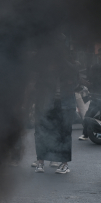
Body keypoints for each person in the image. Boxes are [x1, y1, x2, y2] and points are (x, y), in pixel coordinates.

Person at [33, 39, 77, 174]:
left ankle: (64, 164)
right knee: (41, 131)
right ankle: (40, 161)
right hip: (46, 103)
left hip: (65, 104)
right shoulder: (43, 68)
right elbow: (37, 86)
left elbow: (75, 84)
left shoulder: (70, 67)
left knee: (64, 133)